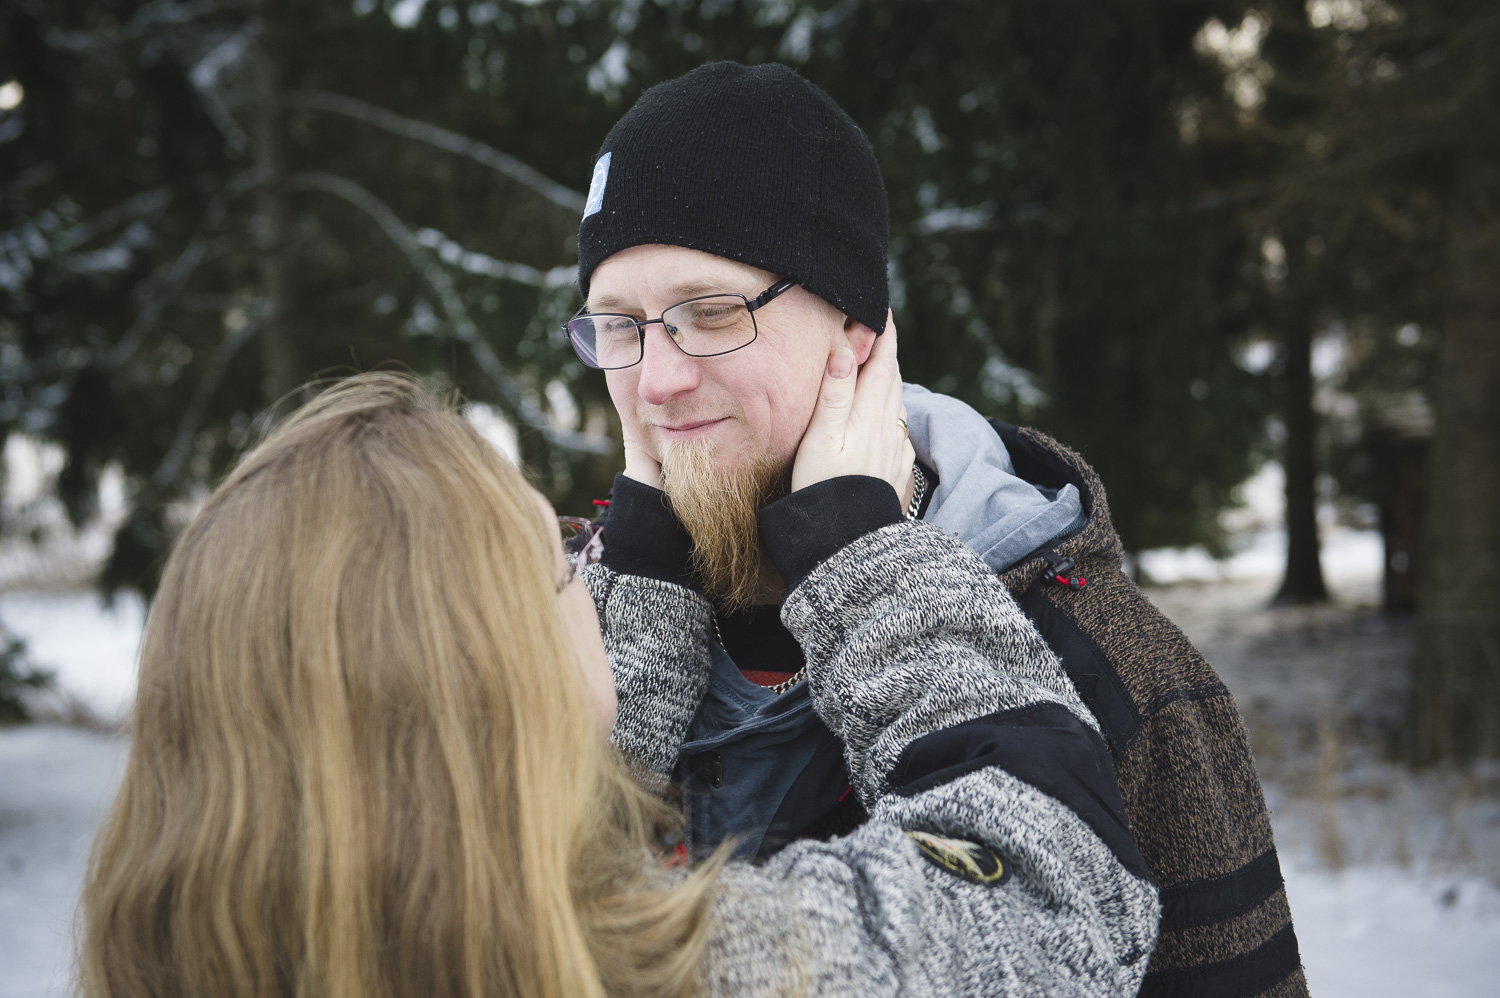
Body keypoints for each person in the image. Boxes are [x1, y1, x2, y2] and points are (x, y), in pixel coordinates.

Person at [572, 61, 1307, 997]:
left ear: (857, 333)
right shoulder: (559, 647)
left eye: (709, 315)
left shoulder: (1110, 666)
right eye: (619, 327)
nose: (657, 381)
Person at [77, 372, 1157, 998]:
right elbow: (1049, 886)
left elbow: (503, 821)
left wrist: (641, 573)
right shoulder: (689, 972)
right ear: (496, 689)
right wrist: (859, 542)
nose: (588, 571)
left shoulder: (204, 955)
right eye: (558, 569)